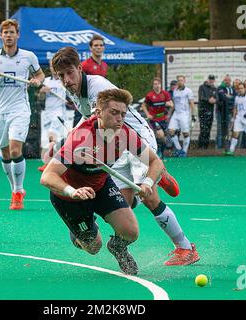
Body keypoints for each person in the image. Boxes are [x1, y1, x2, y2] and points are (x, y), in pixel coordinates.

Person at [52, 47, 199, 266]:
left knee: (149, 196)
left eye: (70, 73)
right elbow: (88, 124)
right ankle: (159, 175)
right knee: (124, 202)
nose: (66, 79)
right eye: (61, 76)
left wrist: (63, 151)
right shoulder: (73, 90)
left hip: (136, 139)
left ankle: (185, 248)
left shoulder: (97, 87)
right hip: (114, 147)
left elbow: (92, 121)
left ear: (80, 69)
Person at [40, 88, 165, 275]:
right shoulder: (80, 139)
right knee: (93, 247)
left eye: (123, 114)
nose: (119, 119)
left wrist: (147, 182)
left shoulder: (126, 135)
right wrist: (72, 191)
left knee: (130, 232)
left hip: (100, 185)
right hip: (69, 197)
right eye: (114, 113)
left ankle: (117, 247)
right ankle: (78, 231)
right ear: (98, 112)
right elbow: (47, 176)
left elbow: (156, 162)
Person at [0, 19, 45, 210]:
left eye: (12, 32)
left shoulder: (28, 56)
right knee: (5, 153)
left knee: (16, 150)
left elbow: (40, 75)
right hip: (0, 111)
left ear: (18, 35)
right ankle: (14, 189)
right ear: (1, 36)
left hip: (20, 110)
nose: (8, 36)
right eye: (5, 33)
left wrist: (36, 81)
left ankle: (18, 192)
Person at [72, 34, 110, 128]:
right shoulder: (84, 65)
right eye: (96, 45)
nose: (99, 47)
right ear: (90, 48)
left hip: (100, 104)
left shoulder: (105, 65)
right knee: (79, 132)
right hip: (84, 103)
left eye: (101, 45)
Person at [38, 61, 68, 172]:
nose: (53, 68)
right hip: (47, 113)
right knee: (51, 139)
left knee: (52, 136)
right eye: (51, 66)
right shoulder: (45, 81)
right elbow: (40, 99)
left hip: (59, 112)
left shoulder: (64, 80)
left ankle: (48, 164)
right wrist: (42, 92)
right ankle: (53, 163)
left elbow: (70, 98)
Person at [141, 77, 173, 158]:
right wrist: (148, 114)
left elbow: (171, 104)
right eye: (155, 84)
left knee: (163, 138)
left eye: (158, 84)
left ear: (161, 85)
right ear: (153, 86)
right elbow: (143, 105)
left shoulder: (165, 94)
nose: (157, 86)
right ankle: (158, 152)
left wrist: (169, 110)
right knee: (160, 135)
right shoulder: (150, 95)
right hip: (154, 119)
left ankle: (161, 152)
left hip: (163, 118)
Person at [224, 82, 246, 156]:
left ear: (245, 88)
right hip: (239, 117)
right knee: (235, 133)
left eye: (242, 88)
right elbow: (235, 108)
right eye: (239, 88)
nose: (240, 90)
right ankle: (231, 150)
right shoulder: (237, 97)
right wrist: (233, 117)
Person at [168, 75, 196, 157]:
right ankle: (179, 148)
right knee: (171, 131)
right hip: (176, 113)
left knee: (185, 134)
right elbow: (174, 104)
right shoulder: (175, 91)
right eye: (179, 80)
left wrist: (194, 115)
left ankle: (184, 151)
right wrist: (170, 113)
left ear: (184, 81)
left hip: (184, 114)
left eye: (181, 80)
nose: (180, 82)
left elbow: (192, 103)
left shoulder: (188, 91)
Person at [198, 75, 218, 149]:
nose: (211, 81)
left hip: (210, 111)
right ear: (208, 79)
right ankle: (200, 147)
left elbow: (217, 98)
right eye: (210, 79)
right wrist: (209, 100)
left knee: (208, 129)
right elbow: (201, 97)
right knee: (203, 129)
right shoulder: (202, 87)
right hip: (202, 111)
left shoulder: (215, 88)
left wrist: (215, 100)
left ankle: (206, 147)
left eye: (212, 79)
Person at [216, 75, 236, 150]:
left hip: (229, 112)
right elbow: (222, 97)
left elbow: (235, 97)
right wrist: (229, 97)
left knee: (228, 129)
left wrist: (228, 96)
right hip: (220, 111)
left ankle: (227, 146)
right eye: (226, 80)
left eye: (228, 80)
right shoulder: (220, 88)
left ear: (230, 81)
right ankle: (219, 146)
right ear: (224, 81)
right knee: (220, 129)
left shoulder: (232, 89)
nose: (227, 81)